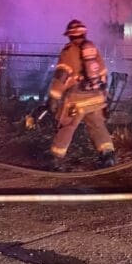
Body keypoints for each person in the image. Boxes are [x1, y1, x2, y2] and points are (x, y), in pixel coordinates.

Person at [47, 19, 116, 168]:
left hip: (76, 101)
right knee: (98, 126)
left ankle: (56, 160)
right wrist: (104, 94)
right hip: (96, 98)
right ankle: (108, 155)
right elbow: (103, 73)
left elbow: (61, 76)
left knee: (67, 126)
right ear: (84, 34)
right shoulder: (93, 50)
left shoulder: (69, 51)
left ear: (70, 36)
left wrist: (53, 97)